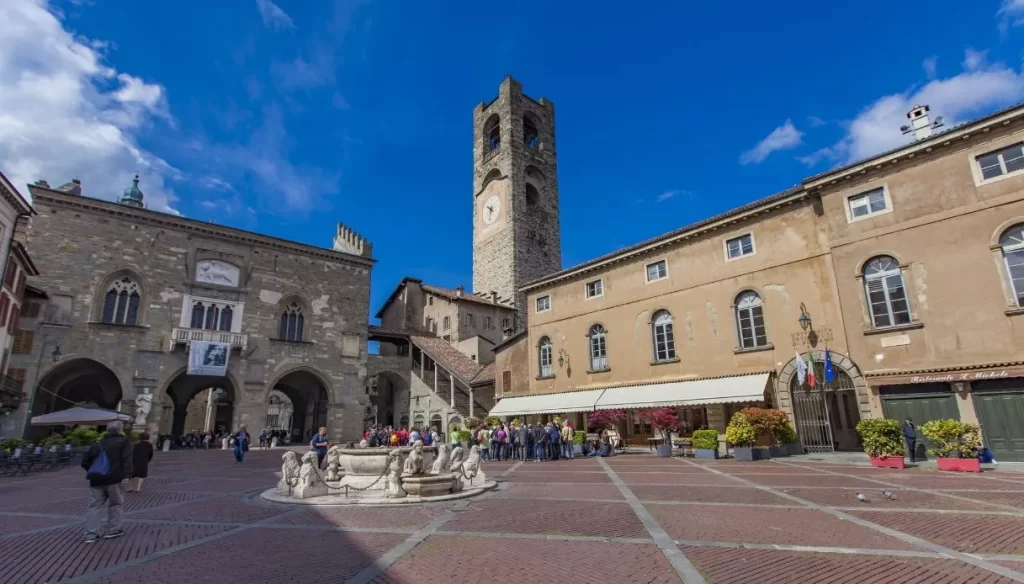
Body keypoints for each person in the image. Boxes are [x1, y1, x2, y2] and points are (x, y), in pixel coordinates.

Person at [81, 421, 133, 543]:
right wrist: (127, 475)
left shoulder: (97, 443)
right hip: (115, 479)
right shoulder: (124, 441)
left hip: (96, 479)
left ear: (107, 430)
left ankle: (91, 534)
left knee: (95, 506)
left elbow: (84, 461)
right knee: (115, 504)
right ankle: (112, 530)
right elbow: (127, 458)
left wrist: (95, 471)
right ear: (120, 430)